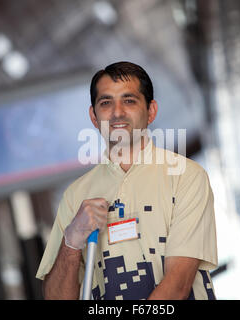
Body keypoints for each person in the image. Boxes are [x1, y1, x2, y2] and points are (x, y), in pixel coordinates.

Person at [36, 61, 218, 300]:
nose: (117, 112)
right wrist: (71, 243)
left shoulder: (186, 177)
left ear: (151, 111)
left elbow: (178, 285)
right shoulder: (75, 196)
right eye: (106, 103)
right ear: (93, 116)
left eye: (129, 101)